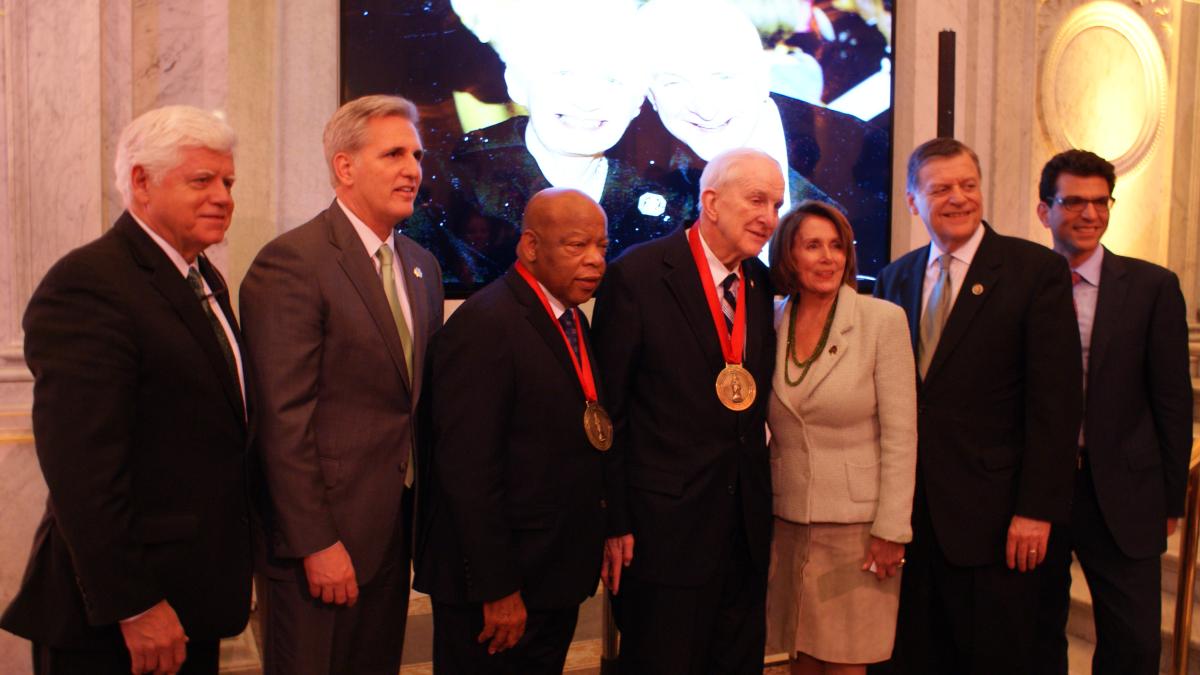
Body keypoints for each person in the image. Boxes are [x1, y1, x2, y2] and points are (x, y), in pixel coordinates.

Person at [0, 105, 252, 674]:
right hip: (121, 619)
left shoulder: (201, 276)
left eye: (228, 182)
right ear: (141, 181)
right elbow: (82, 470)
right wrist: (135, 604)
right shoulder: (89, 284)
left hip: (193, 600)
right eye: (201, 180)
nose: (223, 196)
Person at [239, 95, 444, 675]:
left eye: (417, 155)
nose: (413, 169)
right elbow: (282, 420)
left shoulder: (421, 265)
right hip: (319, 546)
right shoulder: (293, 263)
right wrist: (315, 542)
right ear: (344, 167)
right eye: (394, 154)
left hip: (391, 534)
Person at [872, 137, 1082, 674]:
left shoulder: (1035, 272)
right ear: (913, 200)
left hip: (996, 521)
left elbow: (1055, 406)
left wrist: (1036, 510)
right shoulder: (896, 277)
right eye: (941, 188)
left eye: (968, 185)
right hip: (914, 519)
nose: (959, 198)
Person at [414, 187, 623, 674]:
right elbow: (467, 472)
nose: (595, 261)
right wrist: (498, 588)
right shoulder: (486, 325)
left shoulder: (569, 319)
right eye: (577, 246)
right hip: (498, 591)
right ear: (530, 246)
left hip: (551, 576)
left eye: (602, 247)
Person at [592, 147, 782, 674]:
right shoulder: (638, 275)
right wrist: (616, 520)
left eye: (776, 204)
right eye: (757, 200)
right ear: (712, 202)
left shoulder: (761, 285)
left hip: (744, 532)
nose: (769, 217)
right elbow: (610, 413)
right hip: (660, 534)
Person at [1033, 149, 1192, 675]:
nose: (1090, 214)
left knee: (1134, 645)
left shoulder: (1152, 288)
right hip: (1040, 494)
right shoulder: (1024, 285)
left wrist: (1171, 497)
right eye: (1074, 202)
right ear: (1044, 211)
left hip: (1125, 495)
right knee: (1034, 634)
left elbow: (1172, 401)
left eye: (1101, 203)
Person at [406, 0, 685, 290]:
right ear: (516, 82)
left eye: (612, 80)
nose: (587, 100)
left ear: (639, 101)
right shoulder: (454, 194)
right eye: (563, 73)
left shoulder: (662, 209)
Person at [623, 0, 890, 269]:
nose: (705, 108)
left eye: (723, 78)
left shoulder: (868, 151)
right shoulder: (636, 188)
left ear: (763, 77)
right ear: (651, 97)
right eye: (674, 83)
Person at [765, 201, 916, 674]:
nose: (828, 257)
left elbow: (901, 434)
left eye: (837, 246)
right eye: (813, 246)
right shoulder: (772, 320)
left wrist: (892, 530)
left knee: (846, 663)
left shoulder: (881, 321)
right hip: (787, 524)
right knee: (800, 658)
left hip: (858, 532)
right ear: (788, 255)